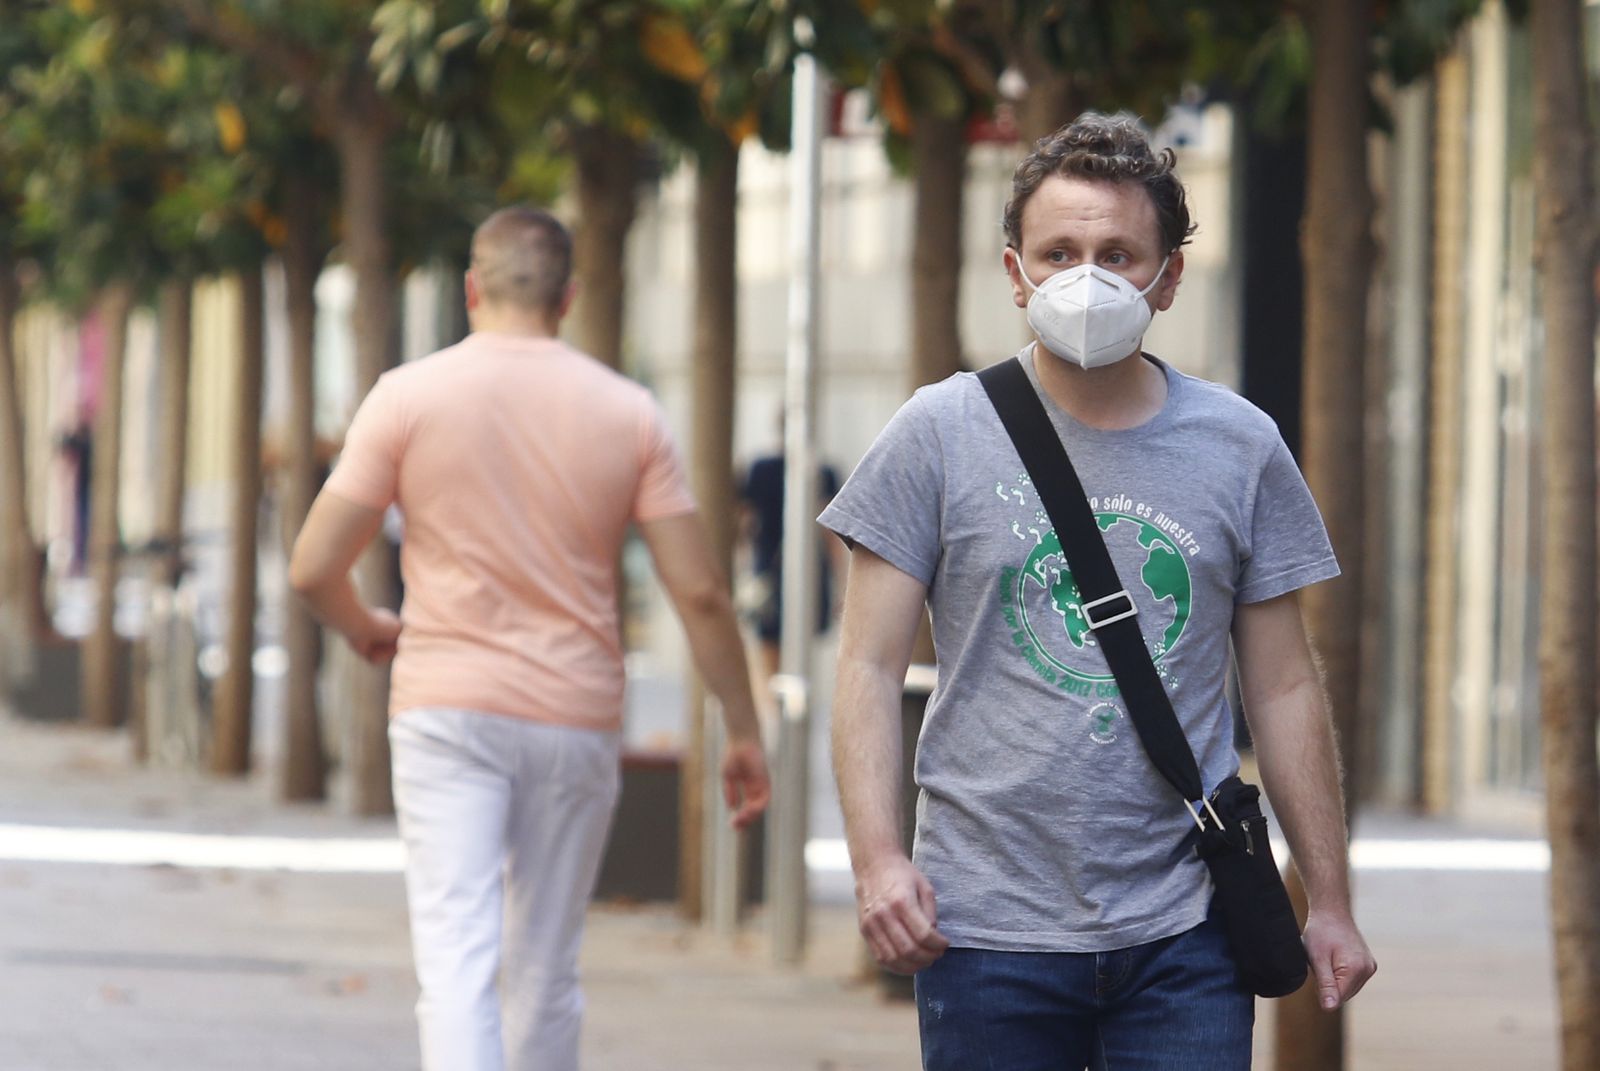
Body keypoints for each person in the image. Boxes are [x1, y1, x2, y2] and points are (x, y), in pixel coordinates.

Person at [822, 113, 1376, 1070]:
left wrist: (1326, 899)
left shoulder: (1239, 446)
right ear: (1014, 272)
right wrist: (877, 863)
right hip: (985, 924)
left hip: (1187, 924)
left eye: (1118, 253)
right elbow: (867, 667)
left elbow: (1284, 687)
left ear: (1167, 279)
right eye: (1060, 251)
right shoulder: (937, 433)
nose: (1086, 277)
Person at [289, 205, 770, 1071]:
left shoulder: (408, 395)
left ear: (472, 288)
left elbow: (313, 565)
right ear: (569, 296)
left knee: (457, 962)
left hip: (444, 703)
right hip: (573, 712)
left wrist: (367, 627)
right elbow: (698, 590)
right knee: (546, 967)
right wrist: (741, 726)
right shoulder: (630, 413)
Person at [736, 429, 842, 685]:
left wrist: (743, 570)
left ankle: (775, 713)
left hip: (769, 570)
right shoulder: (823, 472)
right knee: (799, 650)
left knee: (770, 652)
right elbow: (831, 535)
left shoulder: (761, 469)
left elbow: (744, 523)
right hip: (810, 572)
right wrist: (841, 583)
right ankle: (786, 709)